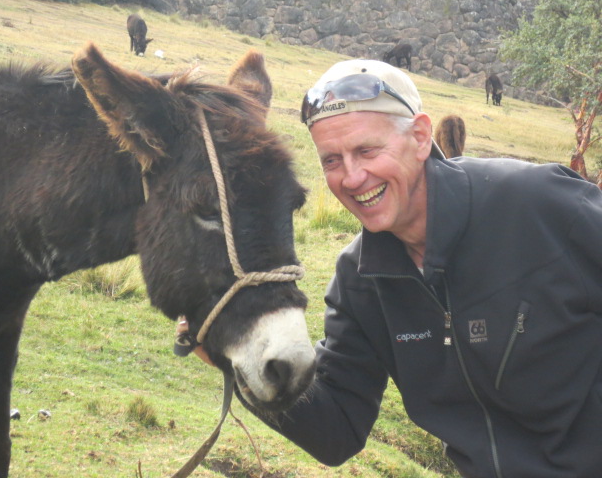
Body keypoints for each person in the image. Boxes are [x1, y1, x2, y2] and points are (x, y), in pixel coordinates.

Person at [184, 59, 602, 478]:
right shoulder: (359, 281)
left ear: (420, 137)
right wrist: (234, 350)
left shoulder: (540, 205)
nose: (352, 177)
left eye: (367, 151)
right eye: (331, 160)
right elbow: (337, 431)